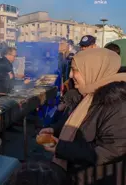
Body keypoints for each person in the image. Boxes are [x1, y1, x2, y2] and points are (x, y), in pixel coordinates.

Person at [39, 48, 126, 185]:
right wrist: (55, 129)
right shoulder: (89, 93)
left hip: (97, 178)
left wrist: (61, 148)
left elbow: (110, 150)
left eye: (75, 70)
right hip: (77, 172)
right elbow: (78, 120)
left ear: (94, 69)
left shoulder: (118, 102)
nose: (71, 75)